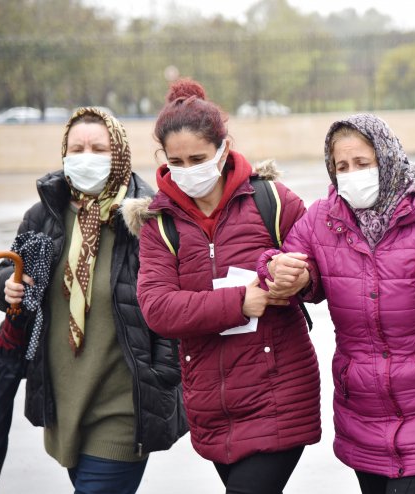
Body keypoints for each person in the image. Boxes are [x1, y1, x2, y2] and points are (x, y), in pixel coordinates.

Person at [256, 113, 415, 494]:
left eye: (362, 163)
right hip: (363, 414)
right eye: (341, 166)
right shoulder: (321, 221)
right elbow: (280, 263)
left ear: (388, 159)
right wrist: (282, 273)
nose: (351, 174)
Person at [129, 78, 321, 494]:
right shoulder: (159, 224)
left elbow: (321, 268)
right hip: (211, 404)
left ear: (223, 149)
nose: (186, 171)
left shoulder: (272, 199)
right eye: (175, 162)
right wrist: (240, 302)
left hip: (279, 393)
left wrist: (302, 278)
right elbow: (158, 308)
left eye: (197, 158)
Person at [0, 107, 187, 494]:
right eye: (77, 148)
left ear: (119, 154)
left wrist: (164, 375)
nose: (86, 157)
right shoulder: (45, 214)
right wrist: (7, 286)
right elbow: (12, 269)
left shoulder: (147, 217)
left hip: (122, 406)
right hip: (64, 404)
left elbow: (175, 299)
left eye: (99, 148)